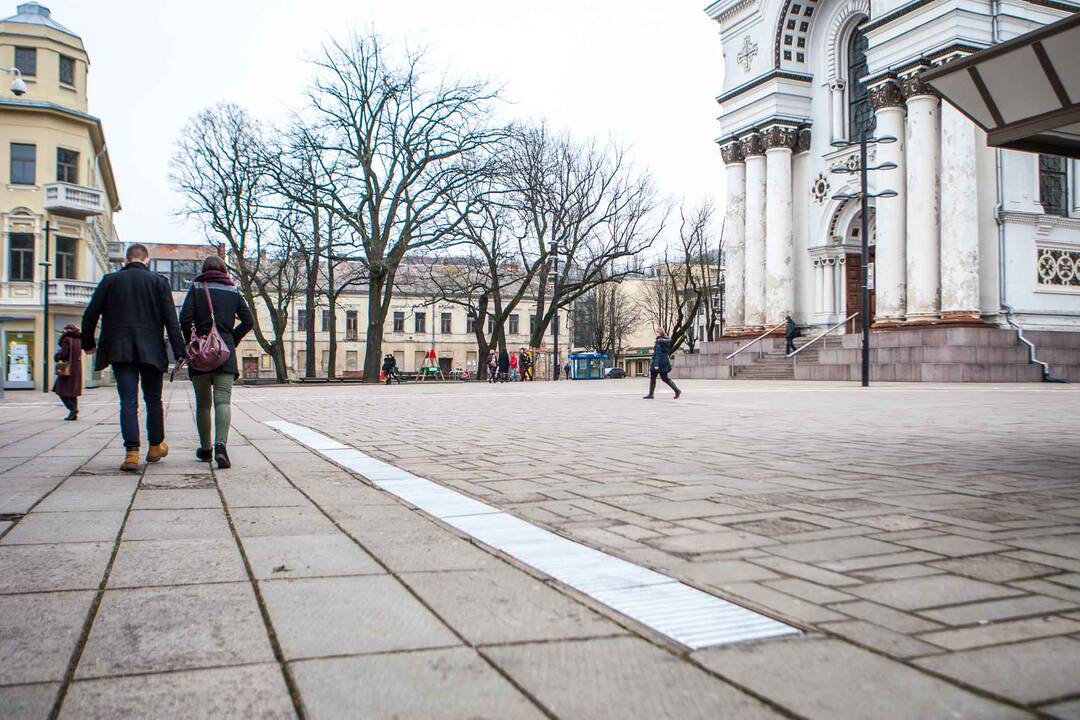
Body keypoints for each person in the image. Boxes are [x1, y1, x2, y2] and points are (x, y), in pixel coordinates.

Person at [82, 243, 185, 472]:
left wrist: (88, 343)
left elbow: (90, 314)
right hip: (151, 350)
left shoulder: (110, 281)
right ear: (147, 260)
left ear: (126, 261)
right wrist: (180, 352)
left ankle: (131, 453)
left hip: (121, 350)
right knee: (153, 400)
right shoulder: (158, 282)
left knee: (128, 401)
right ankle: (156, 446)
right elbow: (171, 320)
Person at [179, 255, 254, 470]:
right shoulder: (233, 290)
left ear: (204, 269)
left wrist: (192, 342)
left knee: (203, 403)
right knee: (223, 401)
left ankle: (205, 450)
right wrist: (231, 339)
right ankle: (221, 446)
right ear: (223, 270)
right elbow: (249, 321)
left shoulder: (196, 288)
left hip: (201, 354)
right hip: (225, 353)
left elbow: (184, 319)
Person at [52, 324, 82, 421]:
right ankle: (73, 412)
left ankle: (72, 409)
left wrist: (57, 356)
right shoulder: (78, 340)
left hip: (67, 369)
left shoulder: (66, 340)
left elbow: (64, 354)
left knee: (60, 390)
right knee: (72, 392)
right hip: (76, 369)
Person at [643, 329, 681, 400]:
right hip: (664, 362)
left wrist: (656, 364)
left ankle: (651, 394)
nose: (656, 334)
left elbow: (658, 353)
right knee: (665, 378)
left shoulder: (659, 342)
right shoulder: (667, 341)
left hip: (659, 362)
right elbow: (666, 352)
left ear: (659, 333)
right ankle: (677, 390)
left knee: (653, 377)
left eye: (656, 332)